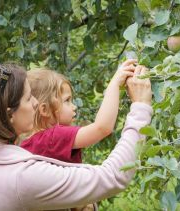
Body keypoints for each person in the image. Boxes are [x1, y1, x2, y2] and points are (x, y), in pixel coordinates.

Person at [0, 60, 152, 210]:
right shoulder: (21, 177)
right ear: (9, 114)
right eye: (29, 99)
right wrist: (141, 108)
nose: (37, 104)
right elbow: (112, 177)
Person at [20, 61, 137, 211]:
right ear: (45, 109)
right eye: (67, 101)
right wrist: (114, 85)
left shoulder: (27, 143)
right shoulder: (52, 137)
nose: (74, 106)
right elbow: (102, 128)